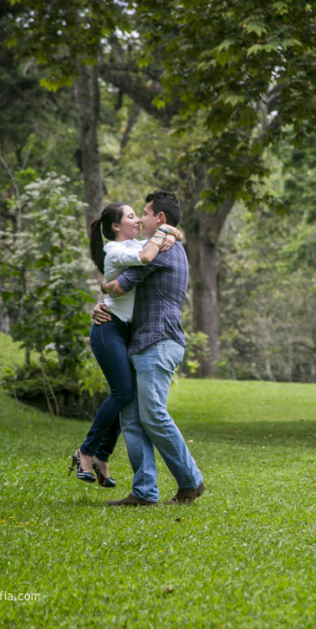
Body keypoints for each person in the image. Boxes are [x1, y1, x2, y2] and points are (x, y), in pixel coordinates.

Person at [92, 190, 205, 507]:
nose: (140, 219)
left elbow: (117, 285)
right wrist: (101, 307)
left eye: (145, 213)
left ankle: (191, 481)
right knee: (132, 417)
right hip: (143, 340)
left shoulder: (162, 250)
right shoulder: (162, 243)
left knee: (153, 415)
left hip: (158, 339)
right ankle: (144, 492)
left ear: (161, 219)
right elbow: (118, 292)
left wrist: (104, 292)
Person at [69, 202, 182, 487]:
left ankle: (102, 456)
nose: (139, 221)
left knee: (128, 397)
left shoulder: (135, 245)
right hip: (109, 329)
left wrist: (171, 233)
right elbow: (144, 258)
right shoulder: (116, 249)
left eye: (140, 215)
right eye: (132, 216)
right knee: (122, 394)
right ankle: (86, 450)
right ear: (116, 226)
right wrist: (165, 233)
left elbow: (150, 248)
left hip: (126, 330)